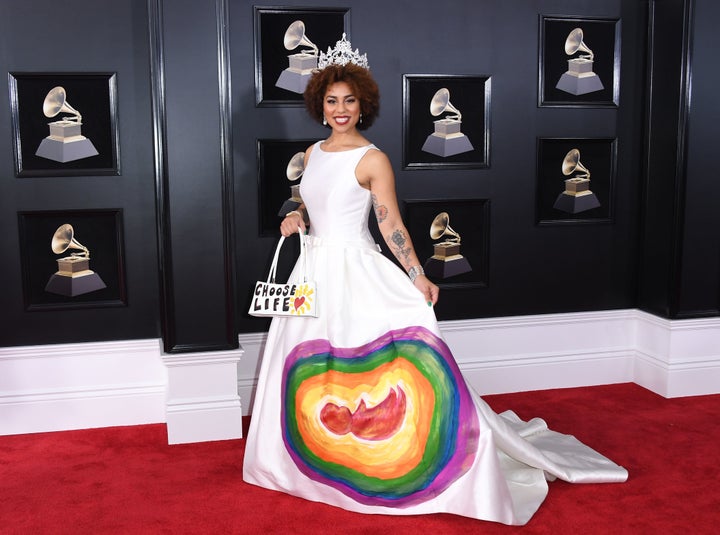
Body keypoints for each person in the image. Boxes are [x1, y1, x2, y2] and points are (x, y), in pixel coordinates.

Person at [243, 36, 627, 525]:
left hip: (354, 271)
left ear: (364, 104)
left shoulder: (372, 158)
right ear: (320, 104)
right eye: (332, 100)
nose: (341, 109)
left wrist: (418, 274)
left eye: (350, 101)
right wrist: (294, 217)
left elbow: (390, 224)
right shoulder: (313, 152)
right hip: (310, 274)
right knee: (309, 366)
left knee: (368, 365)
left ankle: (373, 457)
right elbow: (310, 200)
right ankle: (311, 459)